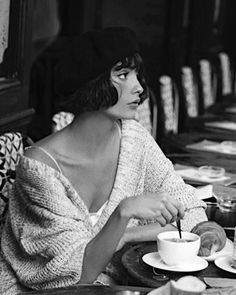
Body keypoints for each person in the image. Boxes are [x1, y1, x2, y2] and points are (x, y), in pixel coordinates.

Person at [0, 27, 207, 294]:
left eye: (136, 75)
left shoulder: (134, 139)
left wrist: (126, 235)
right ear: (91, 83)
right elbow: (77, 276)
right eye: (123, 75)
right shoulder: (40, 168)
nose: (139, 87)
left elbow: (191, 210)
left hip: (117, 286)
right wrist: (124, 212)